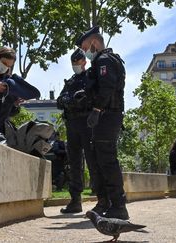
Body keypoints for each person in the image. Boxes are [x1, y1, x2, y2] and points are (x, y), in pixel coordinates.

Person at [75, 26, 128, 219]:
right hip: (105, 115)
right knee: (99, 160)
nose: (85, 52)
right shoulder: (104, 60)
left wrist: (96, 110)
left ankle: (118, 206)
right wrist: (86, 96)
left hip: (107, 115)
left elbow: (107, 87)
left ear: (94, 43)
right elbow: (99, 87)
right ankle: (106, 202)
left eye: (85, 47)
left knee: (107, 160)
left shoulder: (104, 60)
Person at [56, 48, 97, 214]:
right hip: (72, 124)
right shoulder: (71, 81)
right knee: (74, 163)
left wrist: (80, 99)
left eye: (78, 63)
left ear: (84, 62)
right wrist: (69, 99)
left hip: (87, 123)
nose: (75, 66)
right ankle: (75, 201)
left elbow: (93, 97)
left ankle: (101, 198)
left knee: (93, 160)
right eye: (73, 63)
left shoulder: (91, 77)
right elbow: (59, 101)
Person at [0, 47, 40, 133]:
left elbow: (11, 113)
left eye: (8, 66)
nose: (5, 67)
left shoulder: (7, 79)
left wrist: (15, 105)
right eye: (4, 63)